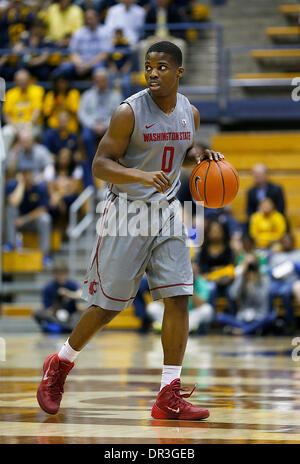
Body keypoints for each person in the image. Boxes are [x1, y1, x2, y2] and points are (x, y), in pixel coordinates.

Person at [36, 40, 224, 420]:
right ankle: (60, 364)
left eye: (162, 67)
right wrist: (138, 174)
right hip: (126, 211)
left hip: (168, 210)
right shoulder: (128, 112)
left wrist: (200, 155)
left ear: (179, 72)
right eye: (148, 66)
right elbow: (100, 164)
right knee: (108, 306)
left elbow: (179, 150)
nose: (153, 72)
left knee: (179, 296)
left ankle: (168, 394)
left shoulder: (191, 113)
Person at [78, 67, 123, 183]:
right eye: (97, 80)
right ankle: (93, 161)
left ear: (107, 80)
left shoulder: (115, 96)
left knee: (119, 137)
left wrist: (105, 125)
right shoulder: (87, 95)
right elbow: (81, 114)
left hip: (109, 127)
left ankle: (111, 162)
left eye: (102, 80)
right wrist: (93, 125)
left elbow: (119, 114)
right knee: (86, 137)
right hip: (92, 127)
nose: (100, 82)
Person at [4, 160, 52, 265]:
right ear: (20, 174)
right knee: (10, 209)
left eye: (29, 173)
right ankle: (10, 244)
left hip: (31, 222)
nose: (27, 176)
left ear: (33, 173)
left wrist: (24, 219)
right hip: (16, 222)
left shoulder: (40, 187)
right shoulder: (12, 185)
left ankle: (45, 254)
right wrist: (21, 184)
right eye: (24, 173)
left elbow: (42, 209)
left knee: (45, 218)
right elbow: (13, 202)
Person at [216, 255, 276, 336]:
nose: (250, 267)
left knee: (272, 317)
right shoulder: (242, 278)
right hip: (243, 317)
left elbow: (261, 299)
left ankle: (243, 330)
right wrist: (241, 277)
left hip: (259, 317)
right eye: (248, 264)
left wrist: (253, 285)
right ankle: (252, 330)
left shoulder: (264, 279)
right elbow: (233, 295)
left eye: (252, 264)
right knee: (220, 317)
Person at [52, 9, 110, 79]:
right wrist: (79, 64)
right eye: (87, 19)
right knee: (61, 70)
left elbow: (104, 54)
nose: (88, 21)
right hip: (80, 63)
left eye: (90, 18)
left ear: (97, 19)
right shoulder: (79, 32)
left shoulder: (104, 32)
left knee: (99, 69)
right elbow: (73, 52)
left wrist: (88, 65)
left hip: (96, 63)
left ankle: (98, 90)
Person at [34, 259, 82, 333]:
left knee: (81, 315)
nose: (60, 277)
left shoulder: (72, 284)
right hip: (55, 316)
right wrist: (58, 301)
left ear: (66, 273)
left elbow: (80, 294)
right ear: (54, 274)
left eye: (62, 274)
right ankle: (66, 327)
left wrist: (69, 294)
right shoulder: (48, 287)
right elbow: (48, 310)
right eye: (58, 274)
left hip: (70, 315)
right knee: (37, 313)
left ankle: (64, 326)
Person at [2, 69, 44, 153]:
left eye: (24, 80)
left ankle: (32, 163)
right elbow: (6, 115)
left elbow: (37, 111)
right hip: (15, 125)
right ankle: (4, 162)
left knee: (27, 135)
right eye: (20, 80)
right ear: (15, 81)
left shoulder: (37, 90)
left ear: (29, 80)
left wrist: (28, 125)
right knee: (5, 133)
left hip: (32, 124)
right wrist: (17, 129)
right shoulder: (10, 93)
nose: (22, 83)